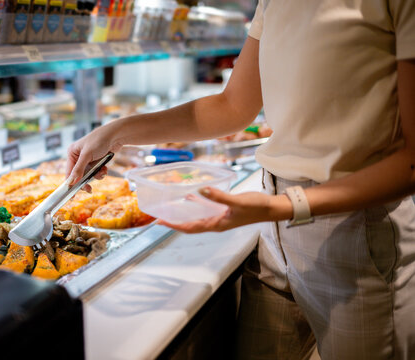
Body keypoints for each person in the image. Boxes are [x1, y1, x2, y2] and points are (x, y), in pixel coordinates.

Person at [66, 1, 415, 359]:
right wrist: (117, 131)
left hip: (355, 233)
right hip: (274, 225)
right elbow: (233, 107)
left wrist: (285, 205)